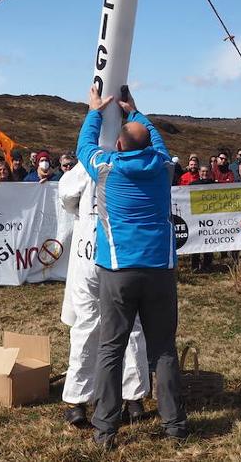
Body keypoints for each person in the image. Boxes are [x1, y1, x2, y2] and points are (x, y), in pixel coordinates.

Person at [76, 85, 186, 447]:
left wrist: (95, 110)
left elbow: (84, 148)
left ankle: (105, 430)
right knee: (164, 350)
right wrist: (136, 113)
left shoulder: (107, 170)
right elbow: (155, 140)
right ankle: (175, 427)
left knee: (111, 348)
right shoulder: (162, 168)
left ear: (120, 145)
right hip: (158, 271)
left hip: (119, 272)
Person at [57, 155, 149, 431]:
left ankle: (78, 400)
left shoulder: (89, 162)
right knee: (131, 324)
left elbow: (66, 196)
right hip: (124, 253)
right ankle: (133, 398)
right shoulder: (141, 163)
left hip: (93, 251)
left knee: (89, 324)